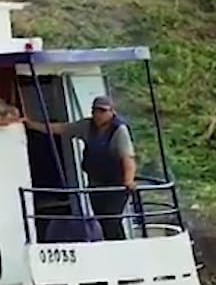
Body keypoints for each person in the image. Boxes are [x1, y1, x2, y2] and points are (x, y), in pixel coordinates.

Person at [21, 95, 139, 240]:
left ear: (112, 112)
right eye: (96, 111)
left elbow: (127, 158)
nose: (99, 114)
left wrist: (128, 180)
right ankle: (113, 244)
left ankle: (119, 246)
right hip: (96, 182)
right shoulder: (87, 126)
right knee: (102, 219)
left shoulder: (119, 130)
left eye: (103, 111)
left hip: (116, 184)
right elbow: (63, 128)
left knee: (112, 219)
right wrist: (33, 125)